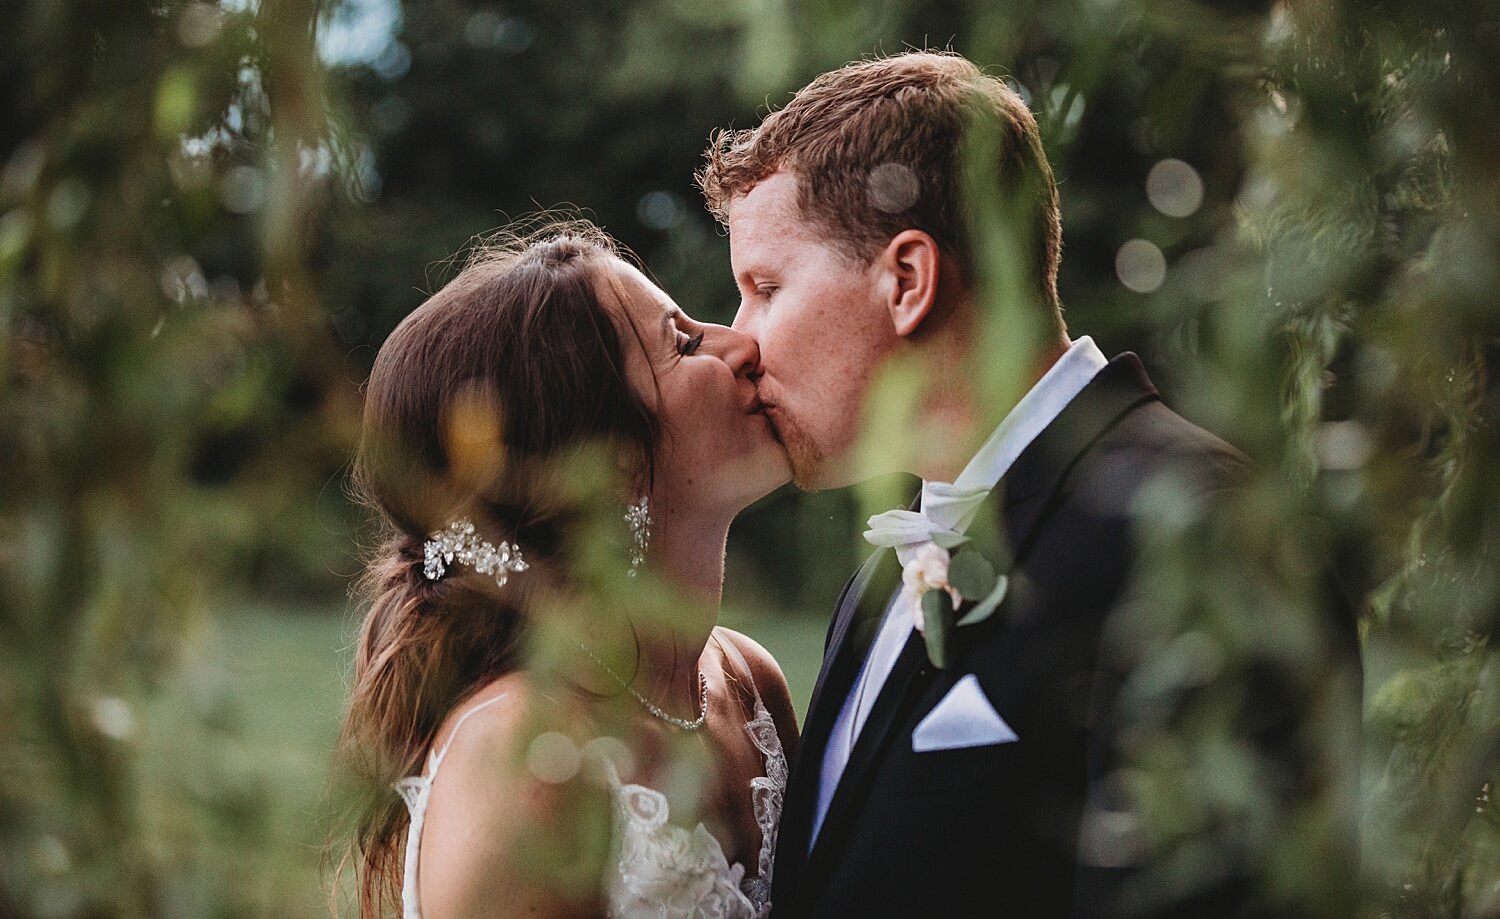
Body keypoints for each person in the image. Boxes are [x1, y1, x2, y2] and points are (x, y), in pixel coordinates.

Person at [698, 51, 1361, 918]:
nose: (741, 342)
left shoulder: (1196, 532)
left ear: (906, 280)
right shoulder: (875, 587)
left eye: (765, 287)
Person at [336, 223, 798, 919]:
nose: (741, 346)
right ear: (607, 467)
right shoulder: (526, 761)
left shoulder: (750, 685)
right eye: (684, 343)